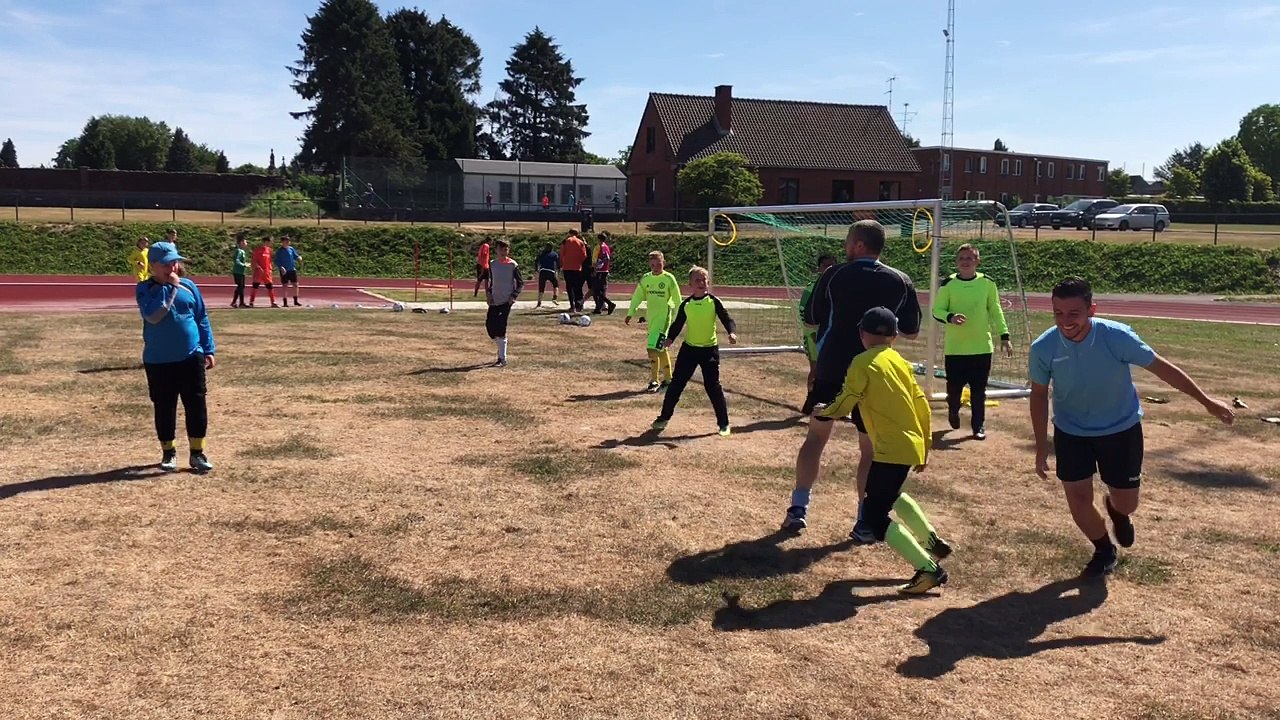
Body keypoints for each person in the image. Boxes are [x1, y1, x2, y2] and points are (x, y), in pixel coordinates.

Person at [1030, 277, 1234, 578]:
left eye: (1073, 313)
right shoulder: (1043, 347)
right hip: (1072, 431)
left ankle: (1116, 510)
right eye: (1058, 313)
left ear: (1092, 309)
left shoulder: (1117, 337)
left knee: (1127, 502)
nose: (1065, 321)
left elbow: (1163, 368)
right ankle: (1103, 549)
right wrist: (1040, 446)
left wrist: (1206, 400)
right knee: (1077, 498)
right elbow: (1037, 396)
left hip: (1120, 429)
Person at [784, 220, 922, 532]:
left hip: (833, 368)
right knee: (869, 448)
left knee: (816, 437)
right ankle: (864, 519)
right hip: (876, 374)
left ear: (858, 245)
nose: (845, 248)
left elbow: (811, 319)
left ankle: (799, 507)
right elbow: (912, 331)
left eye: (848, 241)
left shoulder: (833, 274)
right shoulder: (901, 280)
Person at [817, 307, 952, 595]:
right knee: (890, 493)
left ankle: (928, 569)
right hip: (909, 444)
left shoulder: (861, 362)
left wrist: (825, 412)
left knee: (875, 519)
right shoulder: (900, 362)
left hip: (890, 449)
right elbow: (922, 405)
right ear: (893, 337)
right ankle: (932, 542)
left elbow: (848, 397)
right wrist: (925, 445)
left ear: (862, 333)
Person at [135, 241, 216, 474]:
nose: (173, 266)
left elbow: (201, 317)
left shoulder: (189, 286)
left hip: (191, 356)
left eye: (175, 261)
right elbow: (153, 316)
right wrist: (171, 289)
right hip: (159, 361)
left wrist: (208, 349)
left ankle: (197, 453)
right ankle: (168, 452)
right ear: (153, 266)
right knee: (164, 406)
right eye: (167, 263)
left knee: (196, 404)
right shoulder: (144, 289)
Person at [931, 243, 1013, 440]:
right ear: (956, 262)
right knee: (954, 390)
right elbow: (937, 310)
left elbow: (995, 310)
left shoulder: (987, 283)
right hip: (956, 349)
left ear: (977, 261)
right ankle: (953, 411)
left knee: (979, 391)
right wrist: (950, 317)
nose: (965, 262)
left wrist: (1004, 335)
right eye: (961, 258)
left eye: (970, 258)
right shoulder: (948, 284)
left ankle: (978, 426)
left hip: (981, 348)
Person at [651, 266, 737, 437]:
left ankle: (724, 423)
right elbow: (677, 324)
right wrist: (669, 339)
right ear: (690, 284)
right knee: (676, 385)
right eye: (697, 280)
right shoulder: (687, 304)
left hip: (709, 351)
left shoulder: (714, 302)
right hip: (689, 350)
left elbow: (727, 318)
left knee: (713, 386)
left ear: (708, 282)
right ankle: (663, 417)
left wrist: (731, 332)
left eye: (704, 279)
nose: (701, 283)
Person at [625, 250, 680, 392]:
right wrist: (631, 312)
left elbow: (677, 299)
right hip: (652, 320)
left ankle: (656, 380)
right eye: (653, 265)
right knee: (658, 349)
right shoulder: (646, 279)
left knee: (654, 348)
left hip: (664, 320)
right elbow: (637, 296)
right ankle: (667, 380)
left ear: (664, 263)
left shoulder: (669, 279)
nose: (656, 267)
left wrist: (678, 318)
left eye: (658, 264)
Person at [798, 254, 837, 414]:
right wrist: (813, 331)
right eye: (826, 265)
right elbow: (803, 311)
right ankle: (810, 399)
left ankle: (835, 402)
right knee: (815, 368)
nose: (829, 268)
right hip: (813, 334)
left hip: (830, 334)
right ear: (819, 268)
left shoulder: (837, 286)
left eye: (832, 265)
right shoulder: (811, 287)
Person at [484, 239, 524, 367]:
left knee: (501, 327)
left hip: (506, 301)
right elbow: (490, 282)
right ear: (496, 250)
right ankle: (501, 344)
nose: (503, 252)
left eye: (506, 249)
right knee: (490, 326)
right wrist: (489, 294)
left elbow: (520, 283)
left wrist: (513, 296)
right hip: (494, 300)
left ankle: (502, 358)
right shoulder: (492, 264)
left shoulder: (512, 265)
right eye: (501, 249)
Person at [559, 229, 589, 313]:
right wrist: (579, 262)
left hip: (567, 267)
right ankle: (578, 305)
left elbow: (561, 254)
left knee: (569, 287)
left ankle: (572, 306)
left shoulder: (565, 241)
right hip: (577, 268)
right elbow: (584, 255)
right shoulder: (580, 242)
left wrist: (561, 264)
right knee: (577, 287)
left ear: (569, 233)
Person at [591, 232, 616, 314]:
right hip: (604, 270)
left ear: (599, 239)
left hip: (600, 271)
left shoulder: (600, 247)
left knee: (596, 290)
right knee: (600, 290)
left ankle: (609, 303)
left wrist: (596, 268)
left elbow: (603, 258)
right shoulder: (606, 247)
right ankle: (598, 308)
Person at [249, 236, 278, 308]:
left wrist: (270, 269)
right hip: (259, 272)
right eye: (269, 242)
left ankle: (273, 302)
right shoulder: (258, 250)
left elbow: (270, 261)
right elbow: (254, 260)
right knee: (255, 286)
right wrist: (258, 267)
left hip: (267, 272)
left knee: (270, 287)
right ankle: (251, 302)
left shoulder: (269, 250)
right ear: (265, 242)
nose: (270, 243)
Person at [274, 236, 302, 307]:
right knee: (285, 286)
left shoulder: (291, 249)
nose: (288, 242)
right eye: (286, 241)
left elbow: (295, 256)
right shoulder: (279, 251)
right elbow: (276, 261)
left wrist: (299, 257)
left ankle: (295, 301)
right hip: (284, 271)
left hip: (292, 270)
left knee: (295, 285)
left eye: (288, 241)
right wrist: (281, 267)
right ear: (282, 242)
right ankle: (285, 302)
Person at [534, 243, 560, 308]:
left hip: (543, 271)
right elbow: (558, 263)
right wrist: (557, 271)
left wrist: (536, 269)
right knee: (556, 285)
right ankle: (554, 298)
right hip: (551, 271)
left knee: (541, 287)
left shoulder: (541, 254)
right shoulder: (554, 254)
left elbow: (536, 261)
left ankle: (539, 302)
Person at [230, 235, 248, 308]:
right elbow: (236, 261)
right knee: (240, 287)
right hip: (238, 272)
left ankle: (234, 302)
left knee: (240, 287)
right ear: (241, 242)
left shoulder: (242, 251)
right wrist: (244, 265)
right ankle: (241, 302)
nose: (246, 243)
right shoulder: (238, 251)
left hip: (241, 272)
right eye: (245, 241)